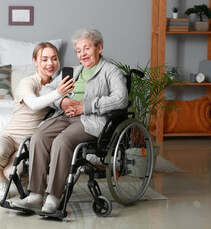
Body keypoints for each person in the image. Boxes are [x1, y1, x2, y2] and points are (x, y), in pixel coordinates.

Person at [11, 28, 128, 213]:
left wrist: (86, 106)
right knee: (39, 135)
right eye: (78, 51)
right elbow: (47, 90)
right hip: (66, 116)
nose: (82, 54)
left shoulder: (111, 71)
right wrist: (63, 100)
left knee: (62, 140)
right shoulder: (73, 71)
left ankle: (53, 197)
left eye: (86, 49)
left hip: (91, 121)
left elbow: (121, 99)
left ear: (99, 48)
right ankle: (35, 195)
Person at [0, 42, 74, 198]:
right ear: (35, 62)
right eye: (44, 59)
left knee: (13, 172)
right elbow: (33, 104)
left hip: (29, 142)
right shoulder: (27, 83)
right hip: (10, 136)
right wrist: (59, 93)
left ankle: (21, 177)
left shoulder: (56, 85)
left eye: (54, 59)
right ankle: (0, 179)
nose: (50, 64)